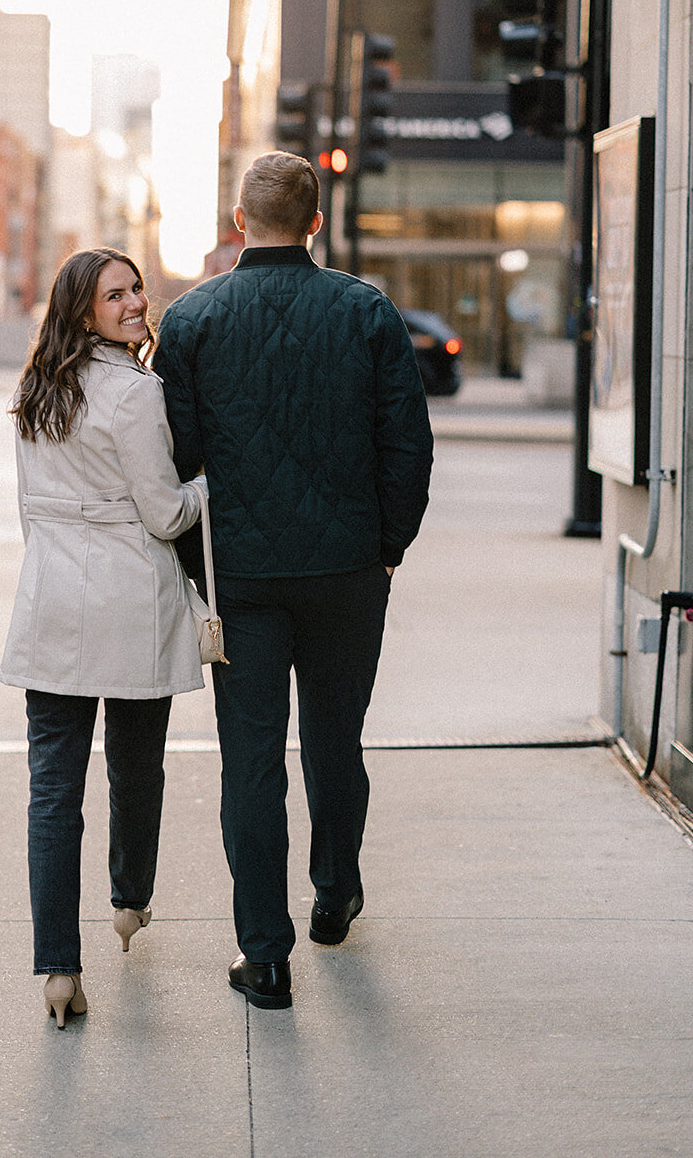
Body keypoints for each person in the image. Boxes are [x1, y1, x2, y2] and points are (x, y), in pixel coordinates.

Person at [154, 151, 434, 1010]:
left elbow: (171, 457)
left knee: (250, 760)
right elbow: (407, 446)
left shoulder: (192, 319)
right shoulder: (366, 311)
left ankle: (262, 957)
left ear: (239, 221)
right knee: (334, 740)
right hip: (347, 569)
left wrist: (195, 565)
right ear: (315, 222)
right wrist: (388, 546)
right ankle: (335, 889)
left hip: (243, 577)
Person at [0, 248, 206, 1028]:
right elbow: (164, 513)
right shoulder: (132, 393)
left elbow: (28, 509)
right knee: (135, 769)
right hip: (128, 602)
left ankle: (57, 969)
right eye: (113, 295)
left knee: (52, 794)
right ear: (81, 310)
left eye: (134, 288)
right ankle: (130, 901)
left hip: (51, 601)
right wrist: (208, 484)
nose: (132, 302)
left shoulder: (33, 388)